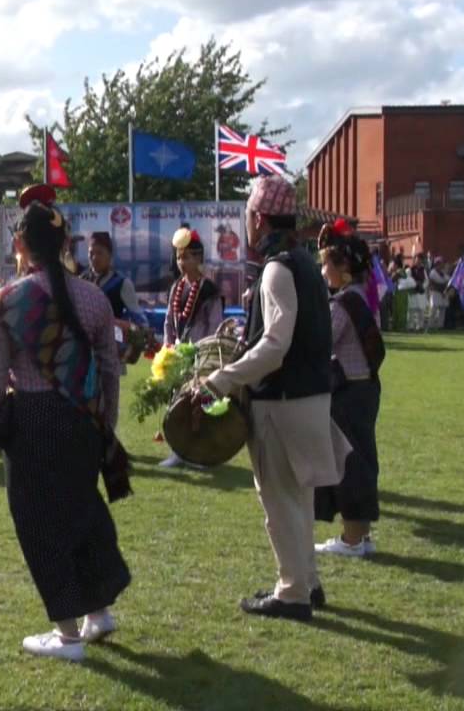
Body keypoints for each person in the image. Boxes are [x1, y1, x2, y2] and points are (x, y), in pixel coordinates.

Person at [0, 201, 131, 663]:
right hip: (82, 420)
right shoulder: (94, 298)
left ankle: (68, 635)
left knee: (40, 525)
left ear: (20, 245)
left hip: (33, 423)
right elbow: (111, 370)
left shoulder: (9, 300)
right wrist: (106, 424)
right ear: (65, 245)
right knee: (81, 511)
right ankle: (98, 612)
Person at [198, 175, 349, 621]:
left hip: (282, 403)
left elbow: (276, 345)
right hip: (312, 397)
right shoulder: (303, 263)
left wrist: (221, 379)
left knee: (280, 502)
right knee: (299, 499)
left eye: (248, 214)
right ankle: (308, 581)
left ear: (260, 219)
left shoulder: (277, 268)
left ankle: (292, 592)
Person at [314, 227, 384, 558]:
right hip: (366, 388)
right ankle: (361, 535)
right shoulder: (364, 296)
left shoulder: (342, 304)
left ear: (343, 269)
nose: (322, 270)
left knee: (349, 464)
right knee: (363, 459)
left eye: (326, 264)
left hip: (348, 392)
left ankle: (353, 540)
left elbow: (321, 343)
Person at [159, 224, 225, 468]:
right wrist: (168, 345)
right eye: (178, 257)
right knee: (176, 405)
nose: (181, 262)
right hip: (179, 356)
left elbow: (215, 326)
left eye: (186, 256)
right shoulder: (177, 287)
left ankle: (202, 455)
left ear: (199, 258)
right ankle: (178, 451)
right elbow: (169, 320)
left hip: (202, 358)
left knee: (201, 408)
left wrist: (201, 353)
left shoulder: (209, 290)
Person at [82, 230, 148, 386]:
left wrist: (126, 329)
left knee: (109, 405)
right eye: (91, 253)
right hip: (84, 354)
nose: (94, 258)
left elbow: (140, 320)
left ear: (110, 255)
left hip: (111, 354)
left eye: (100, 253)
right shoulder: (81, 282)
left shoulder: (122, 284)